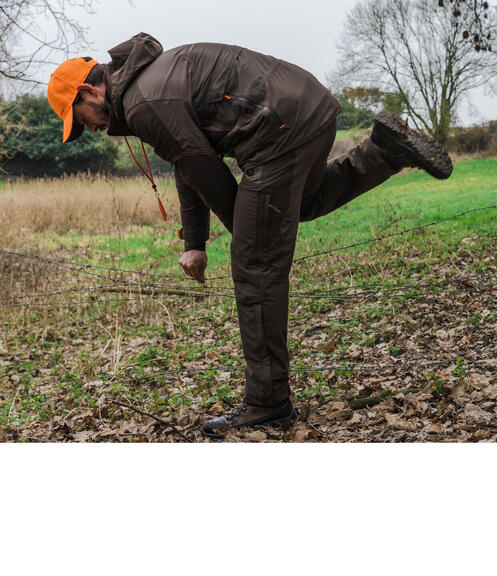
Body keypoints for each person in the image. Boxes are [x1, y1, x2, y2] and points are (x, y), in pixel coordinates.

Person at [47, 33, 453, 438]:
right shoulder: (147, 82)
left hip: (277, 130)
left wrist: (248, 242)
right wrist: (195, 243)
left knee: (255, 268)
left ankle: (267, 400)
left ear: (88, 89)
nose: (89, 128)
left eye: (80, 117)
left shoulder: (144, 102)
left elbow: (206, 171)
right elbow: (188, 162)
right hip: (308, 108)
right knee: (304, 204)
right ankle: (383, 151)